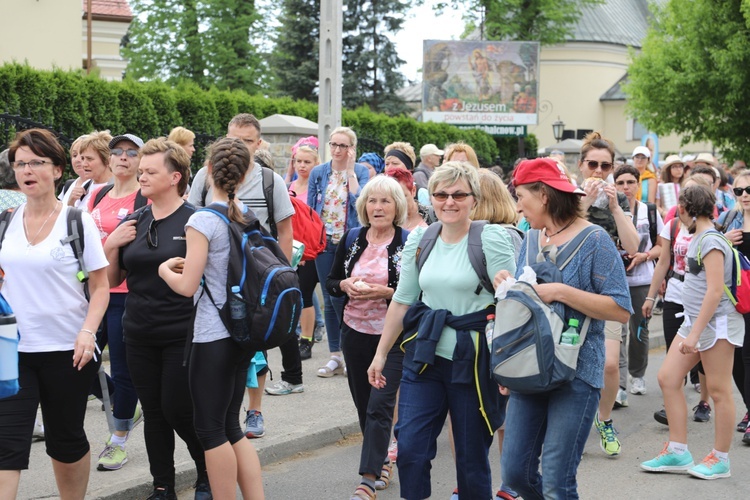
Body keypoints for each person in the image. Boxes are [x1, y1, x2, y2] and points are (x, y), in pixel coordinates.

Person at [368, 161, 516, 500]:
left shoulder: (490, 237)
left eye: (459, 194)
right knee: (410, 450)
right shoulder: (421, 237)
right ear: (430, 198)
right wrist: (380, 354)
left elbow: (510, 303)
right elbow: (403, 301)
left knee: (471, 456)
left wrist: (506, 286)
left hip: (474, 358)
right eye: (441, 194)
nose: (449, 201)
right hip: (425, 357)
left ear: (474, 200)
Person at [498, 157, 631, 498]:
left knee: (558, 479)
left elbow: (620, 309)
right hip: (529, 370)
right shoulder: (529, 240)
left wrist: (560, 291)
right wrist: (510, 286)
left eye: (521, 196)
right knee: (514, 473)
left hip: (577, 375)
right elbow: (527, 306)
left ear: (543, 194)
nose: (518, 205)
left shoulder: (595, 240)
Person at [0, 128, 110, 499]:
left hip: (68, 350)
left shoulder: (77, 222)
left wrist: (88, 332)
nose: (27, 170)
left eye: (36, 163)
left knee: (65, 439)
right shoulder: (5, 222)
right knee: (7, 444)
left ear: (58, 169)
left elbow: (99, 287)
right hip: (13, 351)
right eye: (20, 164)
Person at [104, 138, 211, 500]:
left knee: (178, 409)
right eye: (141, 170)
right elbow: (114, 280)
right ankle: (162, 485)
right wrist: (110, 246)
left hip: (183, 332)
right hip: (138, 331)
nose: (141, 175)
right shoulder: (136, 219)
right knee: (153, 412)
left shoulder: (196, 220)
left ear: (175, 176)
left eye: (151, 171)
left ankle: (208, 475)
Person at [159, 137, 264, 500]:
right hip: (241, 334)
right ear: (246, 173)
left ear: (207, 170)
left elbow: (188, 287)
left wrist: (164, 271)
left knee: (210, 430)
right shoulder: (246, 214)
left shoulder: (203, 218)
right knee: (231, 427)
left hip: (211, 334)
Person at [188, 113, 295, 439]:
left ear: (258, 144)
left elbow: (284, 231)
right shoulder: (204, 180)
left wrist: (277, 281)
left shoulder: (269, 181)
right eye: (233, 138)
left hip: (253, 286)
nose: (238, 146)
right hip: (213, 286)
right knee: (229, 375)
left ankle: (255, 409)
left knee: (254, 354)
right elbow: (192, 220)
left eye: (247, 141)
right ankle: (232, 424)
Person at [640, 184, 743, 480]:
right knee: (668, 378)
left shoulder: (710, 240)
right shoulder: (702, 236)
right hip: (697, 323)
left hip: (716, 324)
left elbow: (713, 292)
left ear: (683, 209)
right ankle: (678, 451)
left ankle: (720, 460)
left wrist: (695, 335)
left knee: (721, 391)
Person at [326, 176, 409, 500]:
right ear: (364, 207)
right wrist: (344, 286)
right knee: (364, 405)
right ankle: (383, 453)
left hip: (392, 338)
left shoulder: (408, 241)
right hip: (355, 333)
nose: (378, 207)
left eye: (385, 201)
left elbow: (417, 292)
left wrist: (385, 292)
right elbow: (331, 281)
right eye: (372, 201)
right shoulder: (352, 238)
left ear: (396, 206)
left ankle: (368, 479)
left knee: (379, 405)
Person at [87, 133, 147, 471]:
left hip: (126, 295)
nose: (122, 157)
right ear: (109, 159)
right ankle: (127, 408)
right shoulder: (99, 193)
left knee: (123, 370)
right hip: (95, 292)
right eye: (117, 152)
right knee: (81, 361)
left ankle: (119, 439)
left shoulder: (144, 199)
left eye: (131, 153)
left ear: (140, 162)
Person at [577, 131, 639, 456]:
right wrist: (584, 202)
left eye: (605, 166)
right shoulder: (568, 194)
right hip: (573, 288)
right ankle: (572, 420)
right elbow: (558, 232)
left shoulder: (622, 199)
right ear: (581, 164)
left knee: (610, 365)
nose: (598, 172)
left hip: (608, 289)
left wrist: (615, 206)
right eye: (592, 165)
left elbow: (633, 246)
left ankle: (604, 419)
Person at [643, 175, 714, 426]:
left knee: (703, 354)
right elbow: (663, 261)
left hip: (701, 298)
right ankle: (673, 404)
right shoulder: (672, 225)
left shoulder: (710, 229)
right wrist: (651, 295)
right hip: (675, 293)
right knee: (675, 348)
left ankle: (704, 400)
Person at [308, 126, 369, 379]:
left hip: (349, 242)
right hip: (324, 241)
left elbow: (360, 200)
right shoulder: (318, 172)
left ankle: (350, 352)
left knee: (345, 297)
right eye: (333, 144)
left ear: (351, 148)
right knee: (329, 295)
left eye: (342, 145)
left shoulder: (362, 172)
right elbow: (311, 209)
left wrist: (351, 171)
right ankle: (335, 355)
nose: (336, 150)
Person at [613, 165, 663, 397]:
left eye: (630, 182)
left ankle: (638, 375)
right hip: (615, 281)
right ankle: (620, 382)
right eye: (620, 183)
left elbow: (662, 248)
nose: (625, 187)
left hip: (643, 281)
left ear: (638, 184)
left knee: (640, 331)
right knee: (617, 333)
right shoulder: (609, 211)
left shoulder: (649, 211)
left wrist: (644, 255)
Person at [716, 170, 750, 444]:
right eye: (739, 191)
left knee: (748, 356)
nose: (745, 195)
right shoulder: (728, 219)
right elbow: (707, 250)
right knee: (737, 359)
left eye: (749, 189)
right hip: (736, 300)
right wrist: (725, 241)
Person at [289, 144, 323, 362]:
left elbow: (314, 224)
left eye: (307, 162)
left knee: (305, 293)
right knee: (294, 293)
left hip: (309, 250)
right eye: (298, 161)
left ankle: (307, 340)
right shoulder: (289, 185)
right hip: (291, 249)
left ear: (315, 164)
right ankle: (292, 334)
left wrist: (304, 252)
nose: (302, 166)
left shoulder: (316, 189)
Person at [65, 131, 114, 209]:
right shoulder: (85, 185)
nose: (84, 164)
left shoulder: (116, 190)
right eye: (83, 158)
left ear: (107, 160)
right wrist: (71, 203)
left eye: (89, 159)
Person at [58, 135, 89, 202]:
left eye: (82, 155)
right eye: (74, 155)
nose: (78, 159)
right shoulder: (68, 185)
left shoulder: (103, 186)